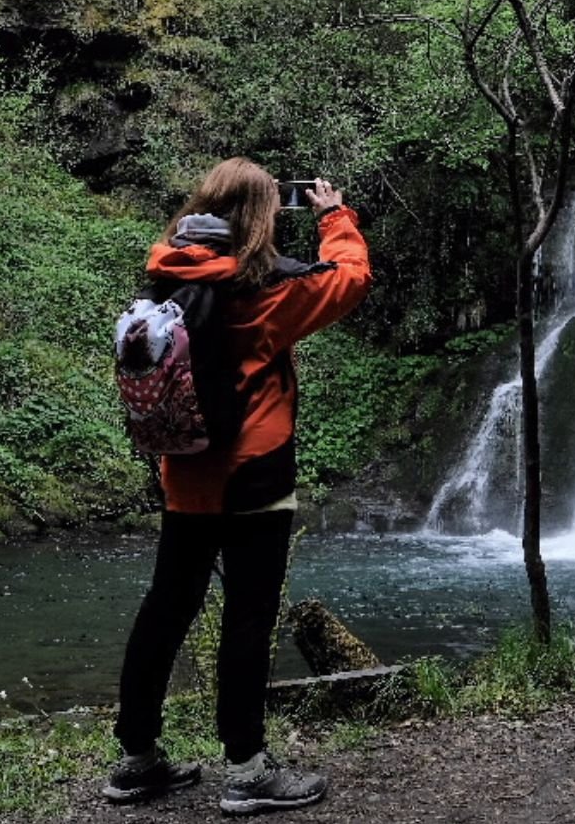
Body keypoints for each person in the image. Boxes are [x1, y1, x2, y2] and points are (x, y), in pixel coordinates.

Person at [102, 159, 371, 814]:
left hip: (186, 473)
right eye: (274, 207)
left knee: (165, 609)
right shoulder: (266, 290)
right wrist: (333, 213)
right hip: (253, 477)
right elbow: (352, 277)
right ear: (261, 215)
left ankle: (136, 758)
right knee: (249, 619)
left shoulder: (166, 273)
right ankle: (248, 769)